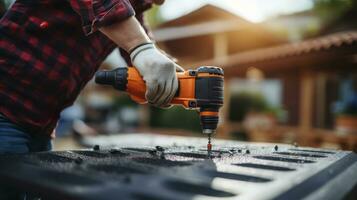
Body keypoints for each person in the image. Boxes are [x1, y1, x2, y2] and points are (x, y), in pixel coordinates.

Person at [0, 0, 181, 199]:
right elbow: (119, 20)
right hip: (5, 109)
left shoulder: (132, 13)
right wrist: (141, 48)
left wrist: (174, 77)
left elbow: (143, 51)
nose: (163, 2)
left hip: (41, 125)